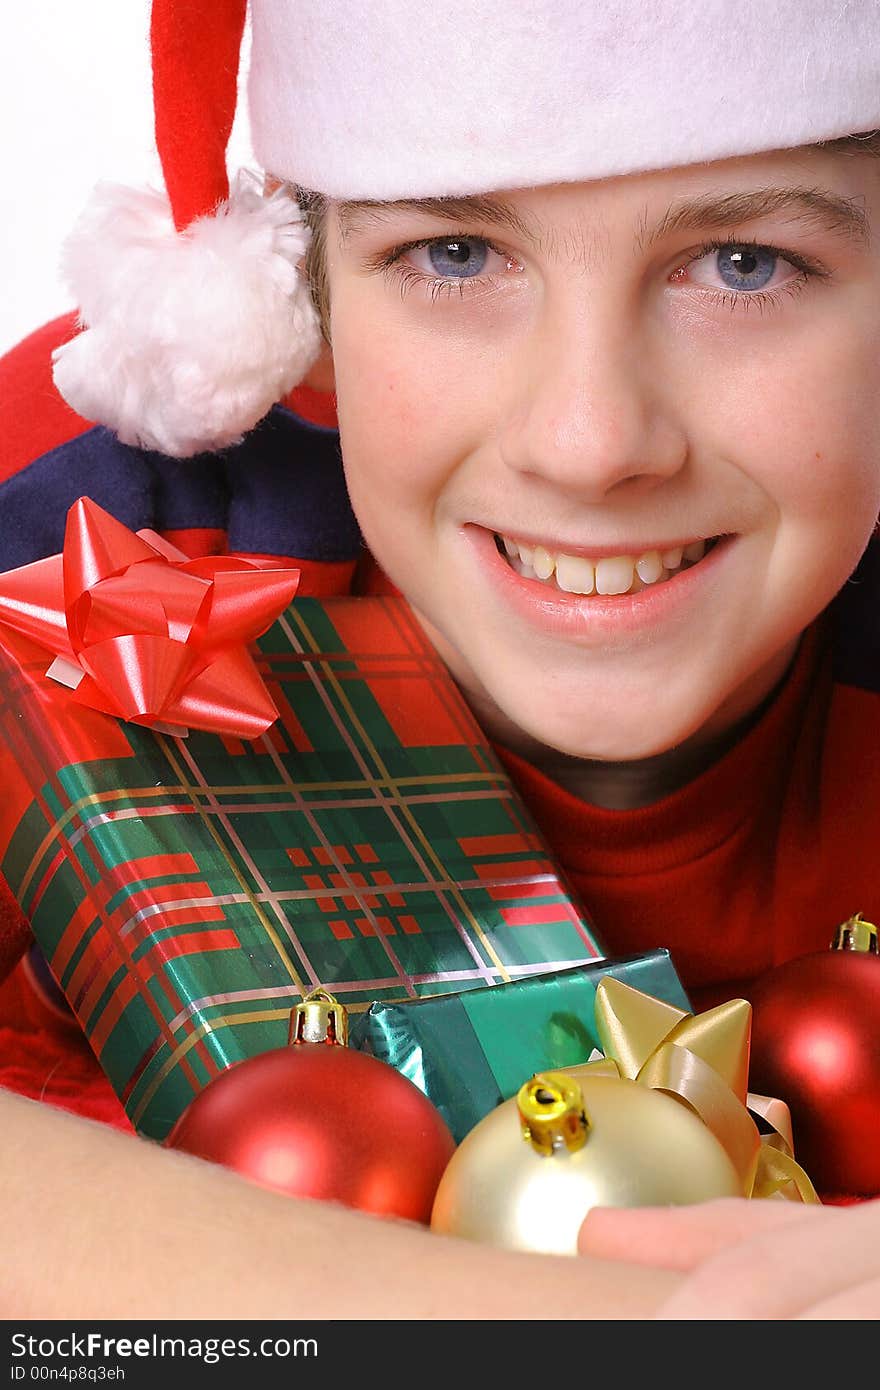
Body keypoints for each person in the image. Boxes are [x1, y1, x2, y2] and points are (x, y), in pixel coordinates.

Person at [0, 0, 879, 1320]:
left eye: (745, 263)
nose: (590, 440)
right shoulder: (84, 523)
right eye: (455, 252)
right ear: (304, 296)